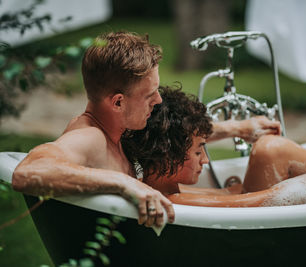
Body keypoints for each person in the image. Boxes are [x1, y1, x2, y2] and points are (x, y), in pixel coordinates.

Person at [12, 32, 280, 226]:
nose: (159, 100)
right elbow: (28, 172)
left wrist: (238, 128)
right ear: (118, 102)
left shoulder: (119, 126)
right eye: (149, 94)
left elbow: (173, 130)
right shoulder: (89, 137)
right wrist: (125, 183)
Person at [121, 86, 306, 207]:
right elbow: (260, 203)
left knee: (269, 149)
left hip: (271, 213)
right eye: (197, 151)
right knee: (270, 150)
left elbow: (226, 196)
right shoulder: (171, 200)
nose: (205, 161)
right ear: (165, 153)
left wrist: (230, 186)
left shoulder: (162, 185)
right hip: (272, 218)